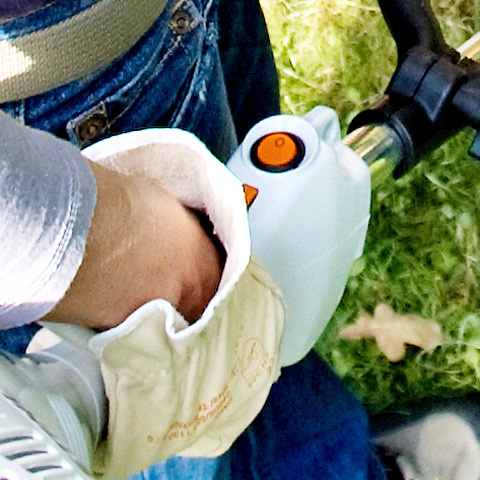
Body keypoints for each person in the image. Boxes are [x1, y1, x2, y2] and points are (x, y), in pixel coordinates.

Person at [1, 1, 478, 479]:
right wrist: (61, 232)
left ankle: (323, 459)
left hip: (138, 27)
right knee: (188, 382)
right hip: (56, 88)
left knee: (255, 315)